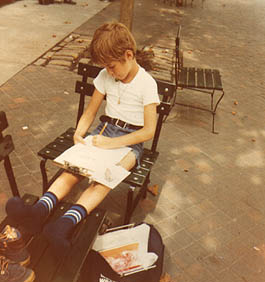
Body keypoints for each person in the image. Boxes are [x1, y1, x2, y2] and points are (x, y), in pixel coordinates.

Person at [5, 22, 160, 254]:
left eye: (112, 66)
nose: (109, 72)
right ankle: (39, 212)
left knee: (105, 179)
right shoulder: (106, 76)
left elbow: (148, 131)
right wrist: (79, 133)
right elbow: (90, 112)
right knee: (73, 169)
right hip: (103, 132)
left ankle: (63, 225)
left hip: (130, 143)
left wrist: (111, 143)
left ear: (129, 55)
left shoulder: (147, 84)